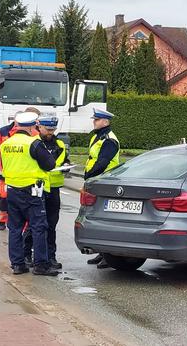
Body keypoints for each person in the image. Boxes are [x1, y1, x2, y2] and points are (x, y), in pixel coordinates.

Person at [0, 112, 58, 276]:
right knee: (39, 227)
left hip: (12, 190)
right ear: (33, 127)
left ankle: (18, 265)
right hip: (32, 191)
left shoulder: (6, 144)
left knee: (15, 228)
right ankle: (40, 265)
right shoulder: (33, 143)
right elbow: (49, 164)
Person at [23, 115, 68, 270]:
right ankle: (27, 254)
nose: (50, 132)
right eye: (48, 129)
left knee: (51, 224)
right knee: (34, 224)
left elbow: (63, 160)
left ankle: (50, 256)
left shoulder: (60, 144)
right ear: (39, 127)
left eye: (53, 129)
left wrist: (66, 166)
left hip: (53, 188)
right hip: (37, 188)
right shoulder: (34, 143)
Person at [84, 108, 120, 269]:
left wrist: (90, 175)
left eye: (97, 120)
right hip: (96, 181)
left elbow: (103, 162)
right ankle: (101, 253)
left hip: (105, 182)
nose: (94, 122)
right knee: (97, 219)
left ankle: (109, 255)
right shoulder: (97, 136)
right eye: (94, 119)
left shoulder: (110, 140)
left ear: (105, 122)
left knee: (107, 220)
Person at [0, 107, 40, 230]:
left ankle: (24, 225)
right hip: (5, 170)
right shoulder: (3, 131)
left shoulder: (34, 133)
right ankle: (3, 220)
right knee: (3, 197)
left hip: (23, 172)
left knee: (23, 202)